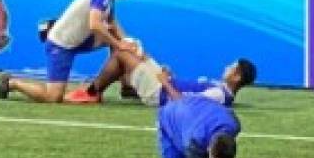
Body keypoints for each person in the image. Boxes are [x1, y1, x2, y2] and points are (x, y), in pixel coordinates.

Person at [0, 0, 142, 103]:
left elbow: (112, 23)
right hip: (61, 44)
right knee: (53, 97)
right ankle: (11, 83)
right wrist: (119, 44)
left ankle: (126, 87)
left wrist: (126, 41)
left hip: (81, 39)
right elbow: (95, 25)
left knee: (117, 39)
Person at [69, 50, 257, 108]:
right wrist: (170, 77)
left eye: (231, 67)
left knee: (121, 55)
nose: (226, 67)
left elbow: (183, 103)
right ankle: (129, 89)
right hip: (164, 85)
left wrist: (165, 80)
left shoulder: (218, 94)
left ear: (237, 76)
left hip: (159, 93)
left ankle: (91, 93)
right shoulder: (222, 90)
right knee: (137, 50)